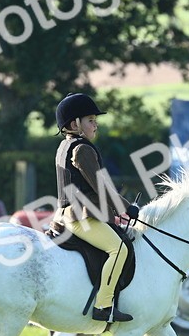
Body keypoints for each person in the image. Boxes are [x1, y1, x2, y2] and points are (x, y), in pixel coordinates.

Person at [54, 93, 140, 323]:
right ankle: (104, 306)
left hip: (68, 213)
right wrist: (126, 207)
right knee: (119, 249)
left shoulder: (65, 146)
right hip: (81, 216)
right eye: (90, 120)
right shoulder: (82, 149)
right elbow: (101, 186)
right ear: (74, 124)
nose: (96, 124)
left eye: (95, 120)